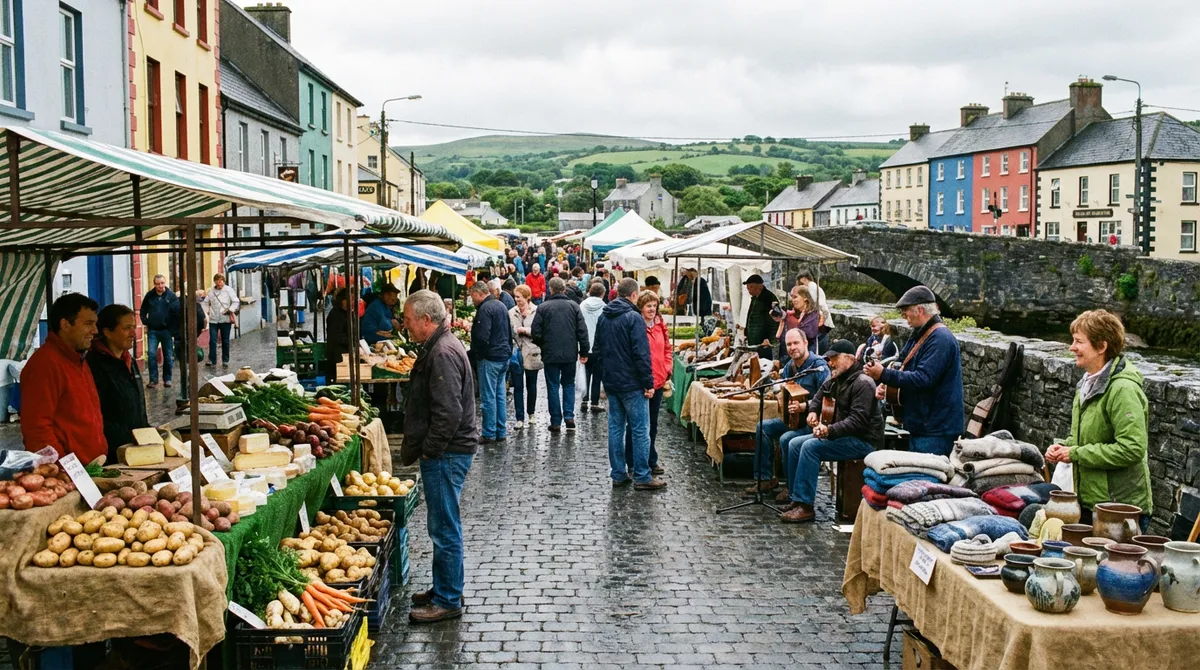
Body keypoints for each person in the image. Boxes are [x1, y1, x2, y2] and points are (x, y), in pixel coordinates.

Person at [399, 290, 477, 624]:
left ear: (426, 320)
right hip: (447, 451)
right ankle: (445, 586)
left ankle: (447, 599)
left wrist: (431, 449)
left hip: (446, 453)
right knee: (441, 524)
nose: (405, 326)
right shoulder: (442, 344)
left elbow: (449, 412)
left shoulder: (442, 352)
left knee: (444, 527)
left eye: (408, 320)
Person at [1045, 310, 1151, 527]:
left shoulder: (1123, 389)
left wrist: (1075, 453)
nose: (1071, 347)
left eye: (1078, 342)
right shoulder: (1087, 384)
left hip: (1118, 509)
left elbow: (1132, 448)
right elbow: (1084, 439)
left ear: (1101, 347)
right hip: (1090, 502)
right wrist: (1063, 447)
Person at [780, 339, 883, 523]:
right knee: (795, 443)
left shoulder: (863, 383)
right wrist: (812, 412)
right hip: (843, 435)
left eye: (834, 358)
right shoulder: (836, 377)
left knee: (811, 447)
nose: (830, 363)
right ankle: (796, 496)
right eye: (829, 359)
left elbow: (857, 422)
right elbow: (819, 397)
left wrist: (829, 430)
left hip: (863, 441)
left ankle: (805, 506)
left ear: (850, 358)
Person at [864, 286, 964, 455]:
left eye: (905, 313)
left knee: (925, 480)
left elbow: (923, 378)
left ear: (919, 310)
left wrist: (883, 374)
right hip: (924, 424)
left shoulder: (941, 339)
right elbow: (901, 362)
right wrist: (886, 383)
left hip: (936, 429)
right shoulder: (920, 333)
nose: (904, 318)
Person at [594, 278, 665, 490]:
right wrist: (648, 382)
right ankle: (643, 476)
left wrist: (604, 379)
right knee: (640, 429)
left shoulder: (604, 317)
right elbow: (641, 354)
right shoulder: (633, 318)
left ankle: (618, 473)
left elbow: (598, 350)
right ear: (634, 295)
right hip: (632, 384)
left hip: (613, 382)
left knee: (616, 428)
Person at [744, 329, 831, 496]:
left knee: (786, 439)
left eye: (796, 343)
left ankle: (792, 488)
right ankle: (765, 479)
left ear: (806, 343)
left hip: (812, 423)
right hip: (794, 420)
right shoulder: (791, 367)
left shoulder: (819, 367)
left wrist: (805, 406)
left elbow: (828, 398)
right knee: (763, 427)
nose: (792, 347)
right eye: (789, 344)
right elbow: (788, 389)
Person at [20, 293, 105, 463]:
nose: (95, 331)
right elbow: (37, 430)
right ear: (65, 325)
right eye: (88, 324)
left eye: (95, 324)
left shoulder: (78, 359)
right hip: (70, 475)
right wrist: (66, 470)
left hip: (92, 467)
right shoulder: (45, 364)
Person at [88, 304, 150, 463]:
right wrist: (128, 438)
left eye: (134, 327)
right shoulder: (94, 365)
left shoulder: (129, 361)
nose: (133, 333)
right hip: (112, 453)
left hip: (138, 448)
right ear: (107, 332)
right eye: (127, 328)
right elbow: (98, 414)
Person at [531, 278, 589, 433]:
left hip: (550, 353)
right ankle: (569, 416)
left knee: (553, 385)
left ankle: (556, 421)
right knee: (568, 384)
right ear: (564, 290)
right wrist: (584, 351)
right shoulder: (574, 307)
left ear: (551, 289)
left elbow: (535, 332)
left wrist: (543, 345)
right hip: (569, 353)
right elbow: (582, 332)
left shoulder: (543, 307)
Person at [623, 291, 672, 475]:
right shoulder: (636, 325)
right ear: (641, 307)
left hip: (658, 380)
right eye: (648, 306)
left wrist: (668, 367)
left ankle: (651, 459)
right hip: (641, 382)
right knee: (636, 424)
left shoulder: (660, 325)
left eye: (654, 305)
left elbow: (667, 348)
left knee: (652, 424)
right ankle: (632, 461)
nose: (652, 309)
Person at [469, 281, 513, 443]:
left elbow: (481, 337)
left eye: (472, 295)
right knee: (499, 396)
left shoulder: (485, 309)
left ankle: (489, 432)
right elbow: (509, 332)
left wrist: (478, 354)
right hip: (503, 356)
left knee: (488, 397)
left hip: (490, 358)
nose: (471, 299)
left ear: (478, 293)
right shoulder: (500, 305)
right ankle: (500, 431)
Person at [508, 285, 541, 430]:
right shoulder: (511, 313)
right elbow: (509, 333)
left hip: (532, 351)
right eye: (515, 297)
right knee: (518, 387)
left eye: (519, 297)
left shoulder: (537, 311)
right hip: (516, 353)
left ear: (527, 297)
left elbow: (541, 331)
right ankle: (519, 418)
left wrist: (527, 331)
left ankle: (531, 413)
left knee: (531, 385)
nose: (516, 300)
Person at [169, 290, 208, 412]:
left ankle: (183, 391)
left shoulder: (174, 305)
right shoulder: (194, 304)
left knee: (182, 365)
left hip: (179, 339)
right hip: (191, 338)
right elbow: (202, 319)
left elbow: (168, 320)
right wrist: (197, 332)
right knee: (192, 364)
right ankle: (190, 388)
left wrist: (175, 333)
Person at [139, 274, 178, 389]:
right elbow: (143, 310)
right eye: (158, 284)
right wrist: (146, 322)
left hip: (166, 331)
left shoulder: (171, 296)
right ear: (154, 284)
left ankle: (167, 379)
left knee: (168, 356)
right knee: (151, 355)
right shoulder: (150, 296)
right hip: (153, 330)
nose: (160, 286)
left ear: (165, 283)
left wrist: (172, 327)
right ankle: (153, 379)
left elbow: (176, 312)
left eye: (162, 283)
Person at [579, 281, 607, 412]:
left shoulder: (582, 305)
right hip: (599, 347)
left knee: (585, 373)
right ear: (603, 294)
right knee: (597, 375)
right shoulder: (605, 307)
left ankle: (584, 400)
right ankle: (595, 403)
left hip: (584, 345)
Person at [202, 273, 239, 368]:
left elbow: (236, 301)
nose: (219, 283)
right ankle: (212, 359)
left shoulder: (228, 290)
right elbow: (205, 302)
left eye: (221, 281)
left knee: (225, 341)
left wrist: (231, 309)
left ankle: (225, 360)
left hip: (225, 319)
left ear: (224, 281)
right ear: (215, 281)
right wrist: (207, 313)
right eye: (217, 281)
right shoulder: (211, 291)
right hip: (214, 320)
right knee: (213, 340)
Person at [774, 287, 819, 359]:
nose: (793, 300)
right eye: (792, 297)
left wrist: (792, 322)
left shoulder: (813, 315)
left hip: (806, 355)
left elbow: (809, 333)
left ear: (805, 298)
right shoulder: (794, 312)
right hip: (789, 355)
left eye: (795, 297)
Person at [742, 274, 778, 358]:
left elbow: (773, 321)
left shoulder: (769, 298)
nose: (749, 291)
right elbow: (750, 316)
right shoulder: (754, 298)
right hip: (753, 340)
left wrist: (769, 339)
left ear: (759, 287)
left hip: (764, 341)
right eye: (748, 288)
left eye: (751, 287)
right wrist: (746, 331)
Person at [325, 289, 352, 383]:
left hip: (344, 353)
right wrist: (353, 341)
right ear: (342, 301)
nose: (352, 302)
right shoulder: (336, 315)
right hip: (337, 356)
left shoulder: (347, 313)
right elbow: (336, 336)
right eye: (350, 299)